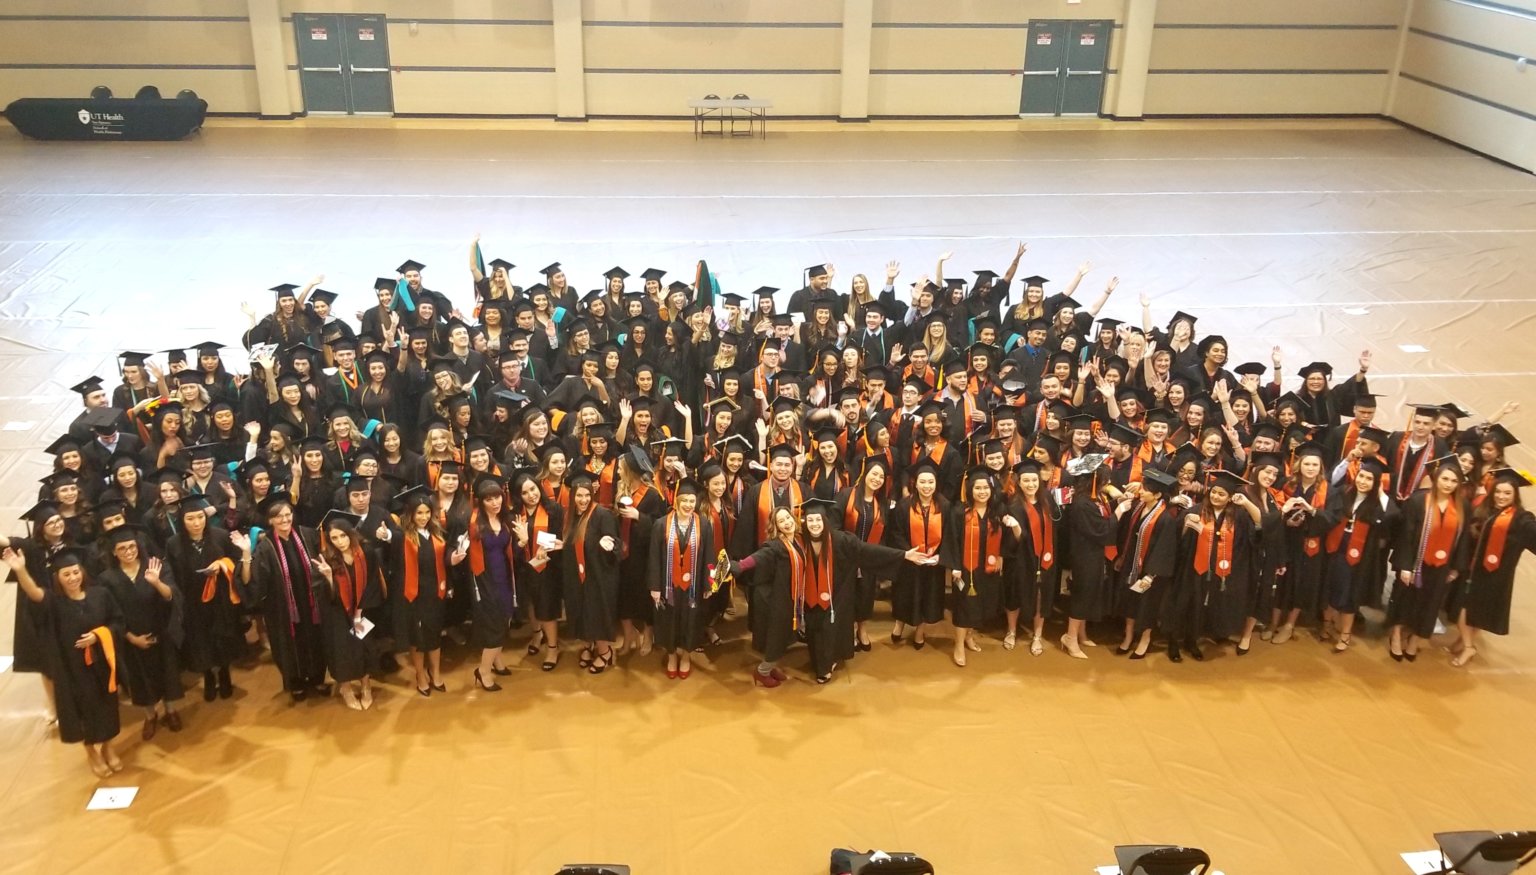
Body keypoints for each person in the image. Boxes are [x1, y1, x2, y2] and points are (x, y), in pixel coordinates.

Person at [3, 547, 124, 777]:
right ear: (57, 577)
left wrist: (98, 635)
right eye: (66, 574)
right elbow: (35, 595)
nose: (72, 578)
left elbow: (117, 623)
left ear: (82, 572)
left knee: (108, 707)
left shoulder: (101, 595)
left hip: (101, 664)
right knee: (83, 712)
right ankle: (91, 752)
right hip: (72, 670)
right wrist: (20, 571)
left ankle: (108, 747)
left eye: (75, 572)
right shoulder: (54, 603)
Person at [97, 525, 184, 738]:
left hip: (161, 633)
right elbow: (110, 614)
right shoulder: (107, 579)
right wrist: (132, 638)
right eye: (122, 548)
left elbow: (171, 596)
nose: (128, 552)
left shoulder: (156, 566)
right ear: (114, 552)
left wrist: (156, 582)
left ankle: (171, 711)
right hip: (132, 639)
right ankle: (150, 715)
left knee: (167, 674)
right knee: (141, 681)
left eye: (132, 546)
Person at [242, 495, 329, 702]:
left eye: (288, 514)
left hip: (312, 603)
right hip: (282, 608)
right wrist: (246, 554)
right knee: (290, 644)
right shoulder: (266, 547)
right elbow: (253, 580)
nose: (284, 520)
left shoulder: (308, 535)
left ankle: (318, 677)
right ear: (270, 520)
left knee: (316, 639)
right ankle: (296, 681)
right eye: (278, 517)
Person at [1450, 467, 1536, 666]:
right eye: (1498, 492)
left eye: (1507, 493)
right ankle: (1463, 642)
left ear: (1515, 495)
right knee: (1467, 609)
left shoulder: (1522, 519)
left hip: (1497, 574)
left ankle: (1469, 647)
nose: (1501, 496)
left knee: (1467, 609)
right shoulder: (1485, 510)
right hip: (1475, 570)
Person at [164, 494, 245, 701]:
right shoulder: (173, 544)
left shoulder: (219, 535)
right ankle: (209, 675)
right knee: (200, 641)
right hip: (192, 602)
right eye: (190, 519)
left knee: (222, 637)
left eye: (200, 517)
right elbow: (171, 574)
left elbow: (236, 560)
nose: (196, 523)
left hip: (220, 599)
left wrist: (221, 564)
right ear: (182, 521)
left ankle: (225, 672)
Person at [1388, 458, 1470, 662]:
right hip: (1415, 563)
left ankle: (1415, 639)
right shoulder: (1418, 501)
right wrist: (1405, 566)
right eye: (1444, 478)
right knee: (1404, 599)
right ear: (1436, 478)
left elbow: (1464, 539)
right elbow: (1406, 535)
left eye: (1453, 480)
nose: (1448, 484)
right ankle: (1396, 635)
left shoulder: (1462, 507)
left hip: (1441, 566)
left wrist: (1456, 568)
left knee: (1429, 604)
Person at [942, 470, 1019, 667]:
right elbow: (952, 539)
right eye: (978, 488)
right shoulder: (960, 512)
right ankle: (958, 645)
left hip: (988, 568)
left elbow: (1009, 537)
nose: (982, 491)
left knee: (980, 604)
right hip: (965, 569)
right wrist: (955, 567)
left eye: (986, 488)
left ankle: (970, 636)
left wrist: (1002, 553)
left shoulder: (998, 511)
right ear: (970, 490)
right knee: (964, 606)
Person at [1319, 460, 1392, 653]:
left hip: (1357, 557)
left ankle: (1345, 633)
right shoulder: (1342, 493)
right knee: (1330, 588)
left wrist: (1381, 493)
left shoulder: (1377, 503)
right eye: (1362, 476)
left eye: (1370, 479)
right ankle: (1326, 624)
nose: (1364, 481)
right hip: (1334, 549)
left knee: (1348, 595)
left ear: (1376, 483)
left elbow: (1394, 516)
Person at [647, 479, 715, 679]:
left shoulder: (703, 524)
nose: (688, 505)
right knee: (668, 620)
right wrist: (654, 586)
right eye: (683, 500)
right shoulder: (661, 524)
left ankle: (685, 656)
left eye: (691, 501)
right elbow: (653, 557)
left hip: (693, 586)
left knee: (692, 621)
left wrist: (709, 583)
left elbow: (710, 555)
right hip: (669, 585)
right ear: (676, 501)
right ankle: (671, 656)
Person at [392, 488, 455, 696]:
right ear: (410, 514)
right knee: (417, 639)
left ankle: (435, 672)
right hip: (413, 594)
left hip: (435, 593)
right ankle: (420, 675)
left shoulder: (437, 533)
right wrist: (386, 536)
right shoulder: (402, 537)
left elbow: (445, 561)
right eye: (419, 513)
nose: (423, 517)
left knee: (435, 635)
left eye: (427, 512)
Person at [315, 513, 381, 710]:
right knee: (341, 652)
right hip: (336, 614)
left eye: (343, 536)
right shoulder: (327, 558)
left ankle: (366, 685)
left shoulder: (366, 552)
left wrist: (360, 610)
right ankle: (345, 688)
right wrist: (328, 577)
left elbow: (372, 582)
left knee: (364, 648)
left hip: (362, 610)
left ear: (350, 534)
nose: (340, 542)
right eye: (334, 538)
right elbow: (322, 594)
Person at [562, 471, 622, 674]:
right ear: (572, 496)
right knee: (581, 610)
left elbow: (616, 545)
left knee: (597, 613)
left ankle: (605, 651)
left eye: (587, 495)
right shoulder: (570, 516)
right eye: (579, 495)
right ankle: (589, 645)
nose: (583, 499)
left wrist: (608, 544)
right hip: (578, 575)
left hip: (599, 575)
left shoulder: (601, 514)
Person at [463, 477, 517, 691]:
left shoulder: (504, 520)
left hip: (504, 576)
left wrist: (521, 541)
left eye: (497, 498)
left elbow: (510, 552)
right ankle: (483, 671)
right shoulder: (475, 525)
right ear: (481, 502)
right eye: (489, 499)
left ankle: (497, 661)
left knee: (505, 618)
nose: (495, 502)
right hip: (485, 581)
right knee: (494, 626)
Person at [888, 460, 948, 650]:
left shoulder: (944, 506)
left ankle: (920, 631)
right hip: (909, 562)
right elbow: (895, 532)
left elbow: (950, 535)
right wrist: (908, 553)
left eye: (931, 482)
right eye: (922, 482)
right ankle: (899, 624)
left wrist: (940, 555)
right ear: (915, 483)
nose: (927, 486)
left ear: (936, 483)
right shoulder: (904, 506)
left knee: (927, 598)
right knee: (904, 595)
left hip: (933, 564)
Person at [510, 472, 565, 671]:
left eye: (533, 489)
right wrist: (522, 541)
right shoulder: (514, 515)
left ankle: (552, 647)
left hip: (547, 567)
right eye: (525, 492)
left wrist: (546, 545)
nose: (531, 495)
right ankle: (536, 635)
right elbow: (512, 548)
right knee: (531, 604)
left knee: (547, 608)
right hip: (524, 567)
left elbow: (560, 537)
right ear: (519, 496)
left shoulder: (554, 509)